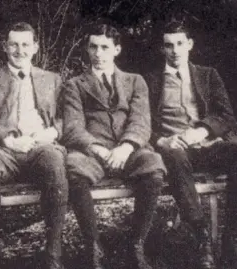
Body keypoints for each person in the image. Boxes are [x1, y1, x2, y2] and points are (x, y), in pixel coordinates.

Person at [145, 20, 237, 269]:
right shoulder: (150, 80)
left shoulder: (207, 75)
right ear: (162, 49)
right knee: (174, 155)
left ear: (190, 45)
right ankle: (201, 238)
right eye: (168, 45)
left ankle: (232, 241)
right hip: (174, 151)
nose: (175, 50)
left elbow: (227, 116)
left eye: (180, 44)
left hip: (208, 146)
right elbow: (142, 124)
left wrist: (202, 130)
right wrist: (162, 140)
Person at [61, 23, 166, 269]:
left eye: (105, 48)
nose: (98, 54)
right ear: (87, 49)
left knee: (153, 164)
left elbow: (141, 120)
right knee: (73, 166)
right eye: (93, 47)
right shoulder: (75, 84)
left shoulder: (135, 81)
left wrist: (126, 147)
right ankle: (93, 246)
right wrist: (98, 148)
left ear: (116, 50)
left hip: (127, 150)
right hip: (92, 152)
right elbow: (73, 127)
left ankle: (136, 242)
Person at [0, 22, 68, 269]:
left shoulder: (53, 80)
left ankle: (53, 253)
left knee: (55, 160)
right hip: (4, 149)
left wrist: (52, 132)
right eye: (14, 44)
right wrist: (6, 137)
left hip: (39, 146)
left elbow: (68, 116)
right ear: (5, 46)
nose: (19, 50)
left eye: (25, 44)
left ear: (35, 47)